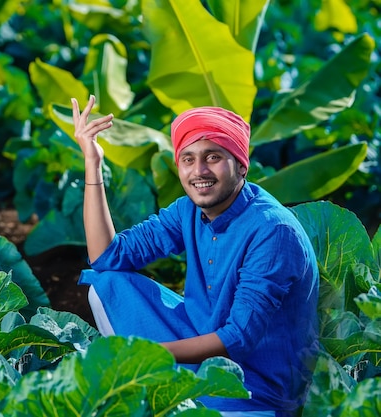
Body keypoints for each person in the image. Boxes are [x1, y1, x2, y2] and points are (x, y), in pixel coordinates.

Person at [71, 95, 319, 416]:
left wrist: (145, 355)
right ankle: (160, 385)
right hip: (202, 344)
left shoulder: (273, 230)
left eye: (212, 156)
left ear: (241, 164)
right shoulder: (188, 210)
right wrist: (93, 164)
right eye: (187, 159)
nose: (199, 170)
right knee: (108, 283)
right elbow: (107, 257)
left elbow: (238, 338)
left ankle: (162, 384)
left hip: (257, 386)